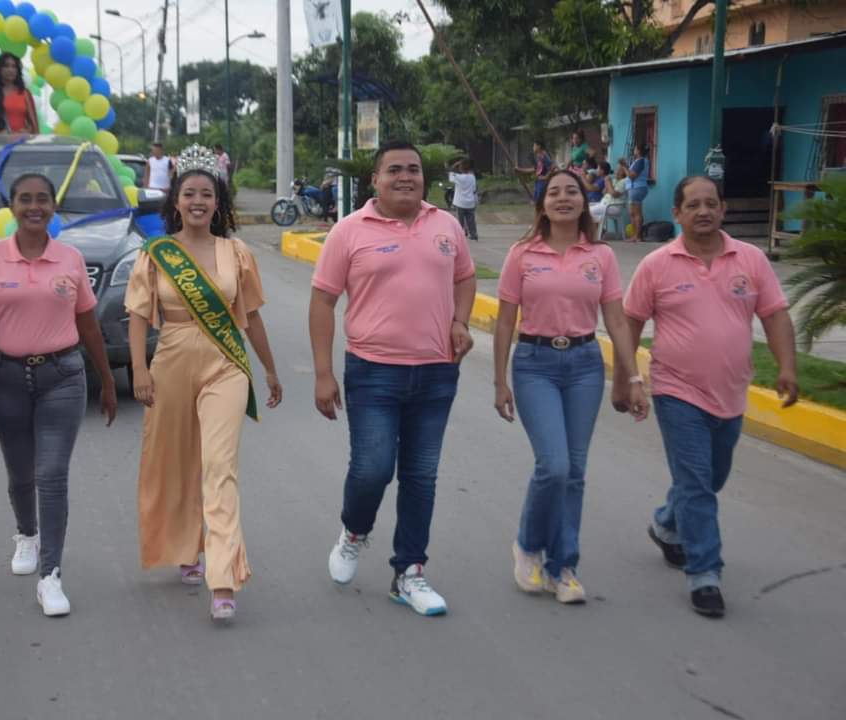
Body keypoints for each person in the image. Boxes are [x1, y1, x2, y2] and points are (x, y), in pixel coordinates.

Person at [614, 175, 799, 618]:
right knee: (698, 483)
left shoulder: (750, 259)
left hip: (731, 392)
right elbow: (629, 324)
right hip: (677, 390)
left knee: (710, 477)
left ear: (723, 209)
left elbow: (774, 316)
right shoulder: (657, 265)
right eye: (693, 205)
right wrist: (625, 379)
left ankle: (667, 523)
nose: (703, 211)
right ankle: (704, 574)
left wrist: (787, 367)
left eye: (711, 203)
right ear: (676, 213)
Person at [310, 139, 476, 617]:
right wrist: (323, 374)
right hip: (372, 371)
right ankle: (354, 531)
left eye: (414, 170)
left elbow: (465, 277)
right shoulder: (349, 231)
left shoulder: (446, 225)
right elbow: (322, 301)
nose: (406, 177)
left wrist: (460, 321)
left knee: (421, 475)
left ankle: (409, 572)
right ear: (375, 180)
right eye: (395, 170)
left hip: (437, 370)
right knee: (373, 469)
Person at [126, 144, 282, 623]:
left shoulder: (236, 253)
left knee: (219, 465)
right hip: (171, 359)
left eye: (207, 194)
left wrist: (270, 368)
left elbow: (250, 316)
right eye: (190, 193)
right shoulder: (157, 254)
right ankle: (184, 548)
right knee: (175, 461)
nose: (198, 201)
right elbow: (138, 314)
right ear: (176, 200)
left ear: (218, 202)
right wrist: (139, 370)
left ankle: (223, 576)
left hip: (224, 364)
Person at [0, 173, 117, 617]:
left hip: (62, 377)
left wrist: (107, 381)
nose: (35, 206)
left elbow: (88, 324)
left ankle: (51, 575)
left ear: (53, 206)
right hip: (5, 378)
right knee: (21, 473)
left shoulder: (70, 259)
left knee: (51, 475)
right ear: (11, 206)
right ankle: (27, 534)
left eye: (43, 199)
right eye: (25, 199)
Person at [492, 170, 649, 605]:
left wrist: (633, 378)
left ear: (584, 201)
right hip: (535, 364)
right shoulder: (522, 253)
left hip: (584, 366)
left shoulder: (601, 255)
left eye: (572, 192)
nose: (563, 198)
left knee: (575, 471)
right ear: (542, 205)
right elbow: (504, 321)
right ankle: (528, 545)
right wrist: (500, 381)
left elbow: (617, 321)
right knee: (554, 465)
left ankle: (563, 567)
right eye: (554, 193)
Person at [0, 53, 38, 135]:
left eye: (14, 66)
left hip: (22, 140)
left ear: (17, 70)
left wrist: (28, 131)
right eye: (6, 66)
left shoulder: (25, 93)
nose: (10, 70)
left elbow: (34, 124)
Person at [448, 158, 479, 241]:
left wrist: (455, 165)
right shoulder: (472, 177)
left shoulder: (458, 177)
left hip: (460, 202)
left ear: (461, 167)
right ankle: (473, 234)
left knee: (460, 220)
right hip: (470, 202)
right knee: (471, 220)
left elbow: (450, 172)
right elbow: (474, 189)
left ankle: (460, 234)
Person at [627, 144, 651, 242]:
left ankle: (637, 236)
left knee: (636, 213)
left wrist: (625, 166)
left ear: (639, 151)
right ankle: (635, 235)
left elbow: (632, 176)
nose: (634, 150)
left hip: (637, 188)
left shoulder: (640, 161)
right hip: (635, 188)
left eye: (635, 149)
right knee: (632, 213)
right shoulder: (638, 161)